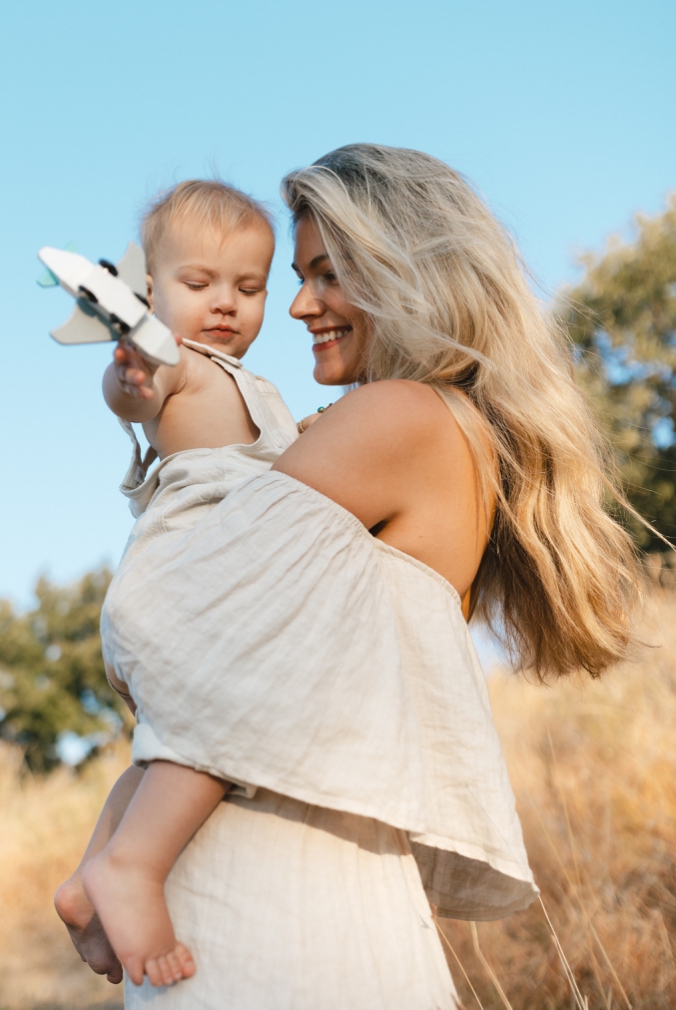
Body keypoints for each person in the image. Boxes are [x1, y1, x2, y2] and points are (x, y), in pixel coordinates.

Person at [60, 144, 640, 1006]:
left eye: (328, 276)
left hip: (272, 871)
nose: (299, 306)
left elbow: (178, 616)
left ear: (409, 273)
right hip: (328, 854)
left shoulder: (399, 413)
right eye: (298, 277)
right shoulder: (460, 434)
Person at [51, 179, 297, 986]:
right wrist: (133, 365)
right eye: (199, 284)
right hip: (188, 572)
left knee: (169, 744)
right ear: (152, 293)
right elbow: (131, 389)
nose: (225, 303)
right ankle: (135, 870)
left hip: (193, 579)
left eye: (249, 287)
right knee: (225, 719)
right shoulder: (177, 362)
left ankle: (91, 881)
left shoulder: (253, 386)